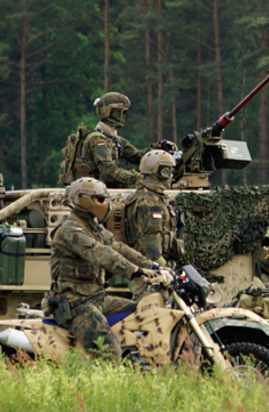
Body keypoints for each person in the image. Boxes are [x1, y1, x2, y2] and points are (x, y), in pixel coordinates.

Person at [49, 177, 168, 360]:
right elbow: (101, 253)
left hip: (96, 298)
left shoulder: (93, 227)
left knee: (144, 312)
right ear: (84, 200)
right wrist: (134, 271)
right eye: (100, 199)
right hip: (75, 303)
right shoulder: (70, 230)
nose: (106, 204)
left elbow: (118, 247)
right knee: (110, 352)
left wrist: (153, 266)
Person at [60, 92, 174, 188]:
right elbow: (108, 172)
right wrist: (140, 177)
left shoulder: (114, 139)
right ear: (112, 112)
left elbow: (136, 156)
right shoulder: (97, 140)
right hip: (92, 194)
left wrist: (158, 148)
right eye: (123, 112)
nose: (125, 116)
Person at [125, 150, 178, 298]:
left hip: (150, 270)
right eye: (169, 170)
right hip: (149, 275)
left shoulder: (147, 197)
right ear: (162, 172)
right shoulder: (149, 201)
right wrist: (165, 268)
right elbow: (151, 246)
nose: (171, 175)